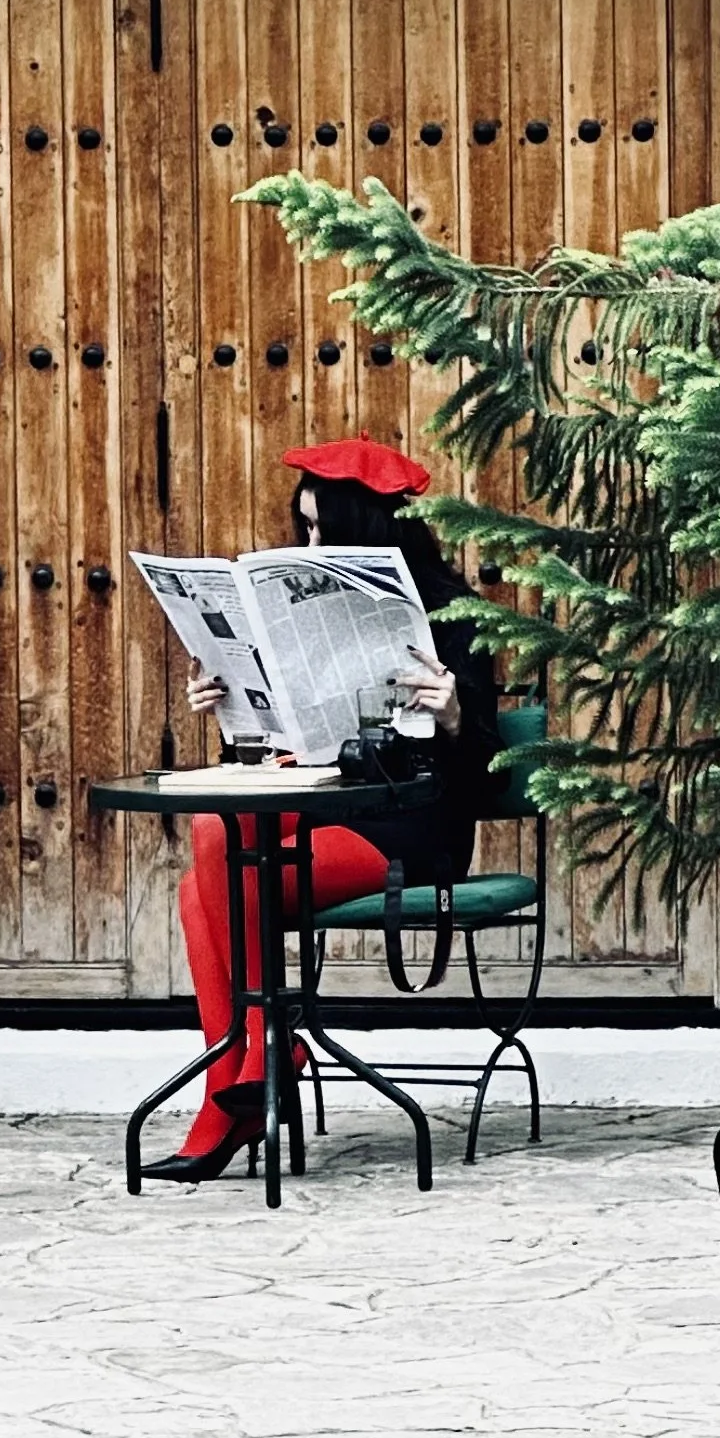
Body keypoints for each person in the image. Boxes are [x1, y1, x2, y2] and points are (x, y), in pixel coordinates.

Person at [143, 436, 502, 1183]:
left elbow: (487, 759)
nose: (307, 541)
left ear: (365, 531)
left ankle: (242, 1075)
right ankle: (257, 1056)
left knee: (210, 861)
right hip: (318, 812)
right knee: (211, 845)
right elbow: (285, 736)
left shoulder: (449, 611)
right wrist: (228, 707)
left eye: (318, 529)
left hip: (408, 827)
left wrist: (457, 712)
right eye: (302, 527)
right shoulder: (297, 605)